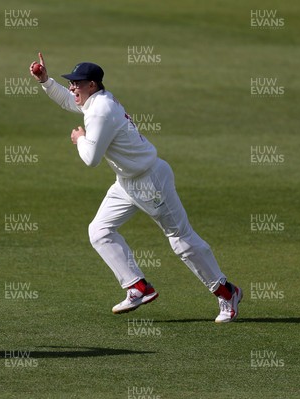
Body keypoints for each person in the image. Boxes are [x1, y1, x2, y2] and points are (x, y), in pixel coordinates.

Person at [29, 53, 242, 322]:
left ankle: (227, 292)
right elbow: (67, 101)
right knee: (99, 231)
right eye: (71, 83)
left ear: (92, 85)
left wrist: (80, 139)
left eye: (76, 84)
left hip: (150, 182)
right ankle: (138, 287)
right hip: (127, 181)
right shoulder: (95, 102)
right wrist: (45, 81)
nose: (72, 88)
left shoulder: (100, 110)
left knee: (181, 242)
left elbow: (91, 159)